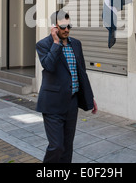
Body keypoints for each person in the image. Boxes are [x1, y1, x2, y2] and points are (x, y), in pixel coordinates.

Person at [36, 10, 98, 163]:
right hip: (52, 103)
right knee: (56, 146)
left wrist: (90, 97)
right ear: (54, 27)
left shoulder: (76, 44)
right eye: (62, 27)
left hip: (72, 103)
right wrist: (56, 43)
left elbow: (81, 72)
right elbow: (49, 66)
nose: (66, 30)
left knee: (67, 147)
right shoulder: (43, 45)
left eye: (69, 26)